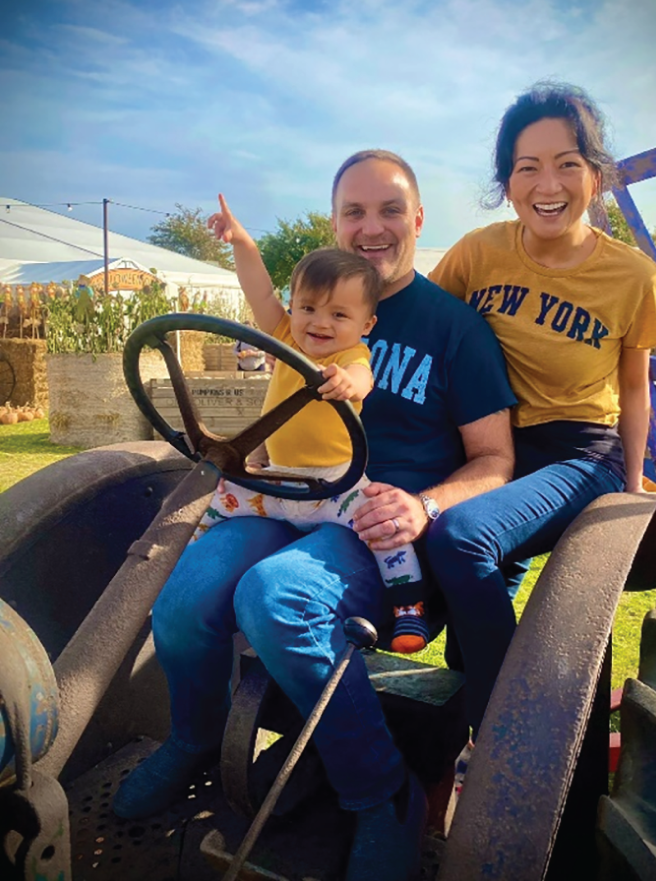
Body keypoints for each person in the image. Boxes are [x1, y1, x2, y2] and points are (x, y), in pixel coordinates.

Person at [113, 150, 517, 881]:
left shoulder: (455, 330)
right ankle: (195, 738)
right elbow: (263, 302)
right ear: (334, 223)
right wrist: (240, 245)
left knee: (276, 596)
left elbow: (495, 459)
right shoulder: (304, 313)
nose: (372, 226)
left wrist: (425, 506)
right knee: (183, 594)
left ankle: (379, 790)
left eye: (390, 209)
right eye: (354, 212)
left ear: (417, 220)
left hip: (372, 529)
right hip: (287, 497)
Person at [426, 81, 656, 738]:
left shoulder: (632, 277)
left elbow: (635, 388)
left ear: (595, 177)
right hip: (494, 449)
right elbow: (417, 332)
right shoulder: (476, 254)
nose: (549, 182)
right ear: (507, 182)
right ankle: (446, 748)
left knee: (461, 537)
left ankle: (510, 740)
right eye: (527, 166)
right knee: (465, 631)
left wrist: (630, 494)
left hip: (581, 451)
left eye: (568, 163)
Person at [193, 216, 429, 653]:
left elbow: (363, 379)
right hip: (276, 480)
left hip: (335, 486)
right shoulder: (285, 337)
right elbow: (260, 291)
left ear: (367, 324)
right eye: (308, 309)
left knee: (385, 529)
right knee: (212, 505)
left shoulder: (352, 354)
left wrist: (346, 383)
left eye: (339, 314)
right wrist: (242, 240)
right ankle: (178, 572)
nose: (319, 323)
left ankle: (408, 607)